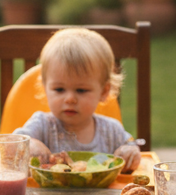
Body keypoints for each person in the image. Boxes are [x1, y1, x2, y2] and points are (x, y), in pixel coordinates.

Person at [13, 28, 142, 171]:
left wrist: (131, 153)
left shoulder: (111, 131)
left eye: (81, 90)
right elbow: (10, 146)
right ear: (45, 88)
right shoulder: (42, 125)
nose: (70, 99)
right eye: (59, 89)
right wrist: (29, 144)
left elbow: (131, 146)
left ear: (104, 91)